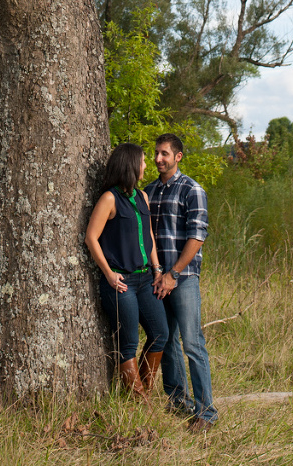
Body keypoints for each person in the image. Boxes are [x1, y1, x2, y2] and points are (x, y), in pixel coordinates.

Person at [85, 142, 169, 399]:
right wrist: (109, 273)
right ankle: (139, 401)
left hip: (146, 279)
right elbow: (91, 237)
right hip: (121, 282)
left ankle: (141, 391)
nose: (146, 165)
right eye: (143, 161)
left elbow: (149, 237)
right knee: (129, 343)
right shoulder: (110, 198)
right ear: (131, 164)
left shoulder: (142, 197)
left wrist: (156, 269)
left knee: (160, 334)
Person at [145, 133, 217, 429]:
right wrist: (159, 273)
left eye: (164, 153)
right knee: (167, 341)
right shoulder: (149, 191)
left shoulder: (192, 189)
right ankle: (178, 402)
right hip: (157, 279)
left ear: (178, 157)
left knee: (192, 343)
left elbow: (197, 236)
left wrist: (173, 274)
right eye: (156, 153)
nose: (158, 159)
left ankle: (206, 413)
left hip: (183, 279)